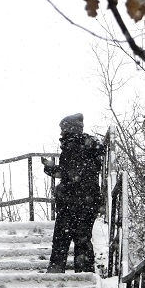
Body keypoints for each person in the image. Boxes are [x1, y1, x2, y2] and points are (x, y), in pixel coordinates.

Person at [43, 113, 106, 272]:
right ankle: (84, 272)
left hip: (71, 201)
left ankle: (57, 271)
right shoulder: (89, 145)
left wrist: (51, 168)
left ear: (69, 129)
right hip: (88, 200)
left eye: (63, 129)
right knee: (82, 238)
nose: (61, 132)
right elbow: (78, 172)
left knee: (62, 239)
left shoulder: (72, 146)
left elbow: (70, 173)